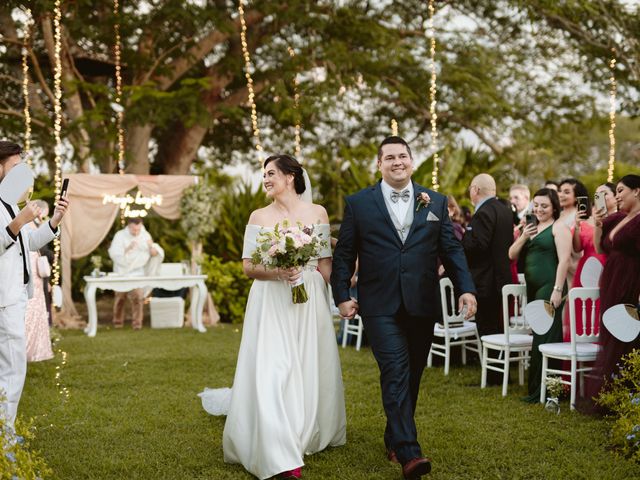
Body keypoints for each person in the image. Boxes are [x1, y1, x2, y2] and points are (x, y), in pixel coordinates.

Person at [331, 136, 476, 479]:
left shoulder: (435, 202)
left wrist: (466, 289)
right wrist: (341, 295)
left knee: (411, 374)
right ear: (379, 164)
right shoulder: (359, 203)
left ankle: (394, 436)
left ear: (412, 162)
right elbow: (344, 254)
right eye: (390, 157)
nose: (397, 162)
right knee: (394, 369)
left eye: (403, 156)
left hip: (421, 302)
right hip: (379, 302)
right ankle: (411, 453)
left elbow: (451, 252)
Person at [220, 154, 346, 480]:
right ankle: (280, 452)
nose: (266, 179)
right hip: (270, 300)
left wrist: (343, 298)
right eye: (264, 174)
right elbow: (248, 266)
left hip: (309, 299)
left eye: (271, 173)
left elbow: (324, 263)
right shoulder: (259, 216)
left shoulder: (316, 213)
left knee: (305, 366)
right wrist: (279, 270)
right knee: (272, 369)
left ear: (291, 176)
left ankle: (301, 432)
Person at [0, 141, 69, 430]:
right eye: (14, 167)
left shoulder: (9, 204)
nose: (19, 174)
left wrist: (54, 221)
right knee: (12, 370)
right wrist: (19, 221)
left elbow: (28, 243)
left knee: (11, 369)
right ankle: (6, 438)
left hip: (15, 296)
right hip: (4, 299)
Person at [582, 174, 640, 413]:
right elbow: (599, 247)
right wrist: (597, 225)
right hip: (613, 285)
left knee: (628, 340)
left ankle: (628, 396)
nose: (616, 196)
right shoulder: (621, 219)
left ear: (637, 191)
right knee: (612, 338)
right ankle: (613, 397)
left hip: (631, 284)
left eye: (621, 190)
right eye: (615, 191)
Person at [508, 188, 571, 403]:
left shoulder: (559, 227)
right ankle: (538, 388)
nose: (539, 209)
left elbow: (564, 261)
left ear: (554, 207)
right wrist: (524, 235)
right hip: (533, 289)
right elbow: (511, 254)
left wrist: (557, 289)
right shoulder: (532, 227)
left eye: (544, 205)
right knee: (538, 337)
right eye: (536, 205)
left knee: (547, 338)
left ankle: (549, 390)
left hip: (549, 287)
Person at [462, 174, 513, 344]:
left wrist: (464, 240)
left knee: (487, 328)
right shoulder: (505, 210)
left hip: (486, 280)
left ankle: (493, 370)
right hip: (502, 278)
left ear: (475, 190)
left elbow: (478, 246)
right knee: (497, 327)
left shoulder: (483, 212)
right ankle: (499, 367)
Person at [108, 217, 160, 329]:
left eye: (138, 229)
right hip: (122, 272)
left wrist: (151, 247)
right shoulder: (120, 236)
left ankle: (137, 324)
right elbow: (114, 253)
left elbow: (155, 254)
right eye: (133, 230)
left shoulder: (145, 236)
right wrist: (128, 248)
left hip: (138, 273)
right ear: (128, 226)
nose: (136, 232)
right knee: (120, 297)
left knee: (138, 297)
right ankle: (118, 322)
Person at [24, 204, 54, 362]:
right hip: (30, 274)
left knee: (38, 310)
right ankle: (28, 348)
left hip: (37, 274)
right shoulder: (28, 224)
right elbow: (41, 249)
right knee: (30, 311)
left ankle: (36, 347)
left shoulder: (36, 225)